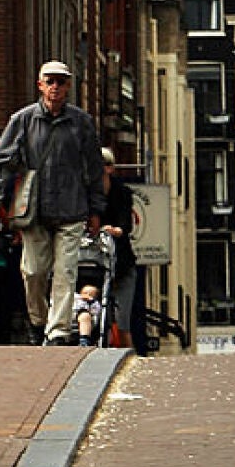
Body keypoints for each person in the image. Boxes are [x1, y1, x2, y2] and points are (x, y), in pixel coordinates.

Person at [0, 62, 106, 346]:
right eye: (50, 81)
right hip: (34, 210)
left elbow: (95, 167)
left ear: (68, 87)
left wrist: (96, 209)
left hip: (72, 208)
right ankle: (39, 321)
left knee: (66, 271)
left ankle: (58, 332)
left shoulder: (81, 122)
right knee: (33, 272)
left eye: (61, 82)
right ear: (40, 85)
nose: (55, 87)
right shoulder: (23, 120)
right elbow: (0, 161)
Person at [97, 148, 142, 350]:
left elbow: (126, 222)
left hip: (121, 265)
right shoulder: (88, 192)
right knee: (94, 316)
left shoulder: (122, 192)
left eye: (105, 165)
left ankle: (131, 361)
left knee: (122, 321)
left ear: (110, 168)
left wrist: (118, 229)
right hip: (95, 264)